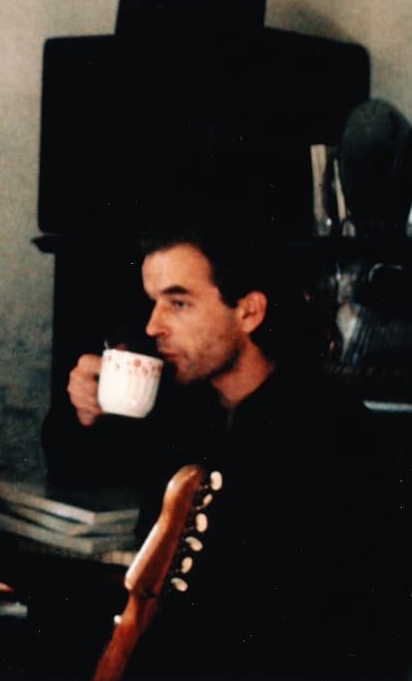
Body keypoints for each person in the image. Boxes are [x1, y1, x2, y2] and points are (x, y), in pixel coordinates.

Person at [43, 227, 408, 678]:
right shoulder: (186, 407)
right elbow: (74, 470)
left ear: (248, 311)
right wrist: (85, 412)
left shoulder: (330, 432)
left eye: (178, 303)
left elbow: (336, 621)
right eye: (153, 301)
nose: (153, 325)